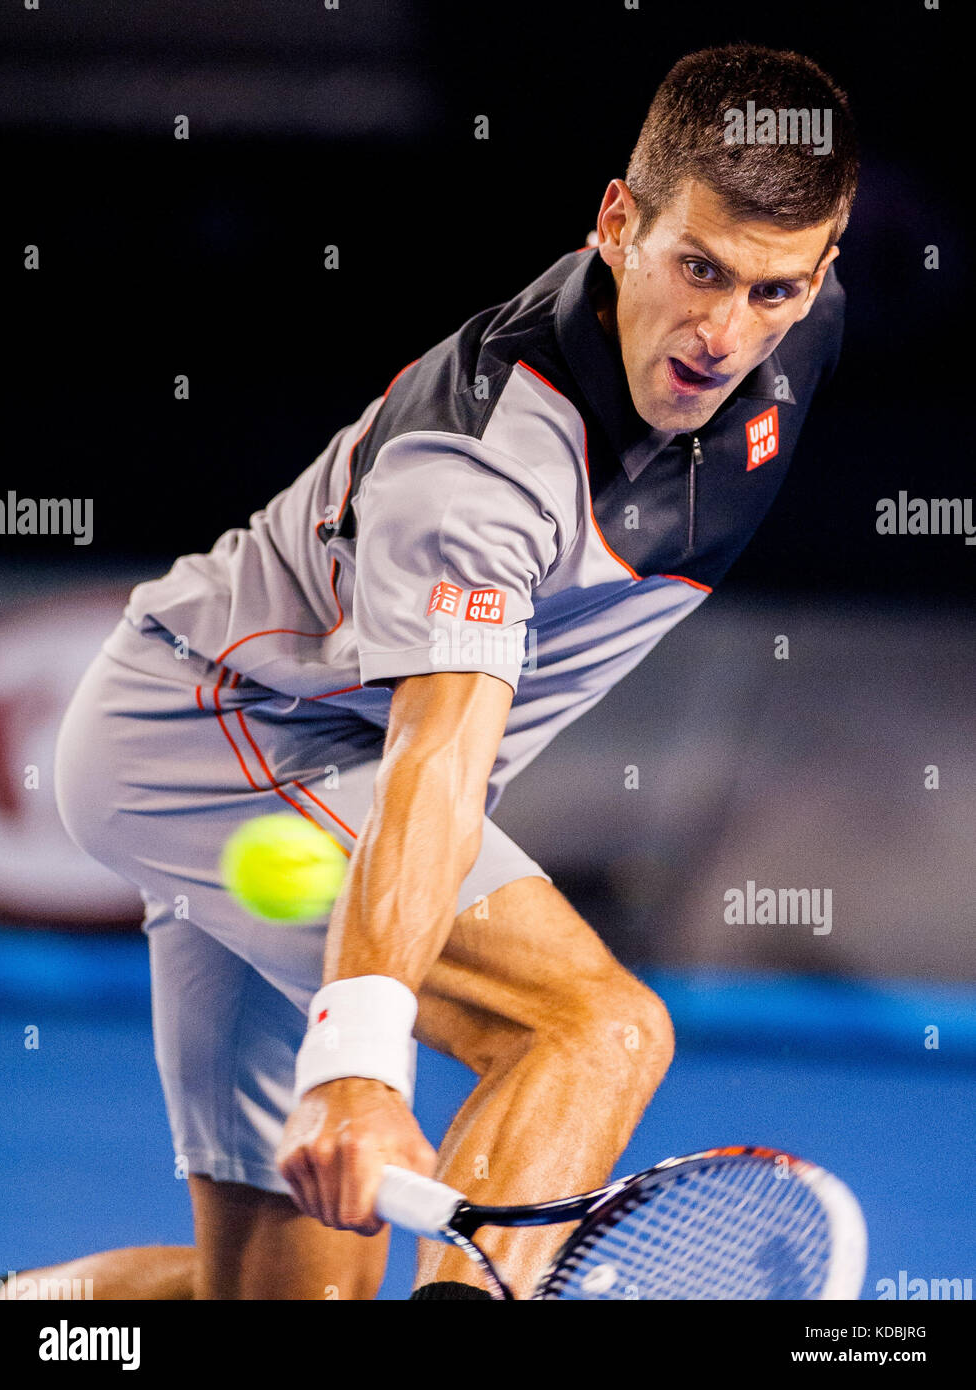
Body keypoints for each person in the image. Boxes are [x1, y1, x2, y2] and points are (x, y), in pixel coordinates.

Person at [46, 43, 858, 1300]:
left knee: (280, 1301)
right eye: (697, 267)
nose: (721, 332)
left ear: (825, 268)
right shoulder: (482, 471)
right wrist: (361, 1064)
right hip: (218, 743)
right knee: (593, 1027)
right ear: (617, 221)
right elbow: (437, 759)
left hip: (298, 784)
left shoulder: (799, 325)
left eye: (772, 291)